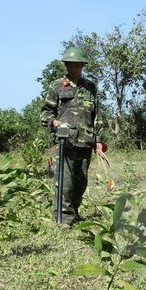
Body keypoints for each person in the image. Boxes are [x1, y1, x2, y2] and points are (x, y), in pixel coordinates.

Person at [40, 47, 104, 225]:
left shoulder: (90, 87)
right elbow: (46, 112)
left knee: (81, 181)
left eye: (77, 66)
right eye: (70, 65)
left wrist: (98, 141)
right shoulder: (57, 86)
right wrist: (54, 122)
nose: (73, 69)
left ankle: (74, 212)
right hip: (65, 141)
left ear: (83, 66)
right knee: (64, 181)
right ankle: (64, 218)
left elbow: (97, 115)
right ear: (66, 66)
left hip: (85, 141)